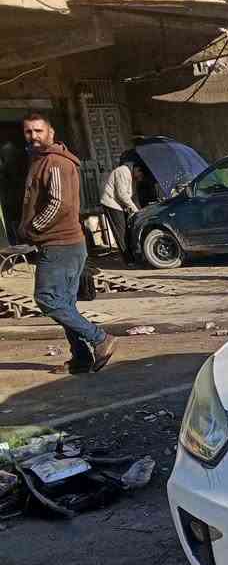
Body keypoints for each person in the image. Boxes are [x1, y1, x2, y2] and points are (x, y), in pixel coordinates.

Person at [18, 112, 117, 374]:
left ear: (51, 133)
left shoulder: (56, 162)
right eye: (28, 131)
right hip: (60, 244)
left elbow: (59, 204)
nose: (33, 136)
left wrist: (32, 228)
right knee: (64, 303)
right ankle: (81, 359)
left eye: (38, 131)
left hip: (60, 244)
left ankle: (100, 338)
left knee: (47, 299)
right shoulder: (40, 160)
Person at [100, 158, 145, 263]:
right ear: (137, 169)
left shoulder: (133, 176)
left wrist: (138, 210)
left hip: (121, 204)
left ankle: (133, 256)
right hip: (112, 203)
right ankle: (128, 260)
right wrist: (135, 209)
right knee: (121, 231)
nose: (140, 178)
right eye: (140, 175)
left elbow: (132, 196)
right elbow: (122, 194)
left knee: (128, 230)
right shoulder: (123, 171)